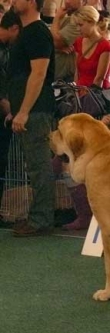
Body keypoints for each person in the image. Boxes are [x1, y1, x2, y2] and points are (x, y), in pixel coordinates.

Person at [10, 0, 56, 237]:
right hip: (29, 109)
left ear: (30, 2)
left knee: (38, 165)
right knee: (34, 164)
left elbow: (38, 74)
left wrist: (24, 110)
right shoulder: (28, 32)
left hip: (36, 110)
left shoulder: (37, 32)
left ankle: (42, 218)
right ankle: (39, 216)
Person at [0, 9, 21, 226]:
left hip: (4, 114)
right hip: (3, 112)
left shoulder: (8, 48)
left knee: (2, 162)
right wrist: (10, 112)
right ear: (14, 27)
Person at [73, 5, 110, 89]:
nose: (78, 29)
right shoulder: (78, 42)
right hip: (81, 89)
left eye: (80, 25)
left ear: (92, 22)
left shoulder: (105, 46)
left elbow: (99, 78)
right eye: (77, 25)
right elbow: (76, 72)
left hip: (95, 93)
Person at [50, 0, 82, 82]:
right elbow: (47, 41)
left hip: (66, 79)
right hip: (55, 75)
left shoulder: (79, 22)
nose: (67, 2)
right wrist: (57, 48)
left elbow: (56, 41)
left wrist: (56, 17)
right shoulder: (65, 18)